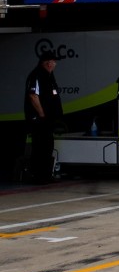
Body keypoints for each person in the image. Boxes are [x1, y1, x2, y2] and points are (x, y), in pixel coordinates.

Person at [24, 54, 63, 184]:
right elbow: (33, 96)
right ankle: (37, 175)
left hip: (48, 119)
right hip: (39, 119)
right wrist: (42, 114)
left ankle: (45, 174)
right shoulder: (37, 75)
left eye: (54, 62)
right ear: (46, 63)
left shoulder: (49, 76)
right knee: (39, 145)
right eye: (52, 62)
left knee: (47, 145)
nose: (54, 64)